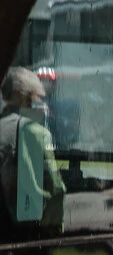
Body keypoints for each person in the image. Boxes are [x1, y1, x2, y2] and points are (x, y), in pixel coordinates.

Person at [0, 66, 65, 236]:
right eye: (32, 94)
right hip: (25, 232)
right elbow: (57, 189)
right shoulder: (36, 132)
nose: (35, 100)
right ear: (19, 94)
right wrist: (51, 227)